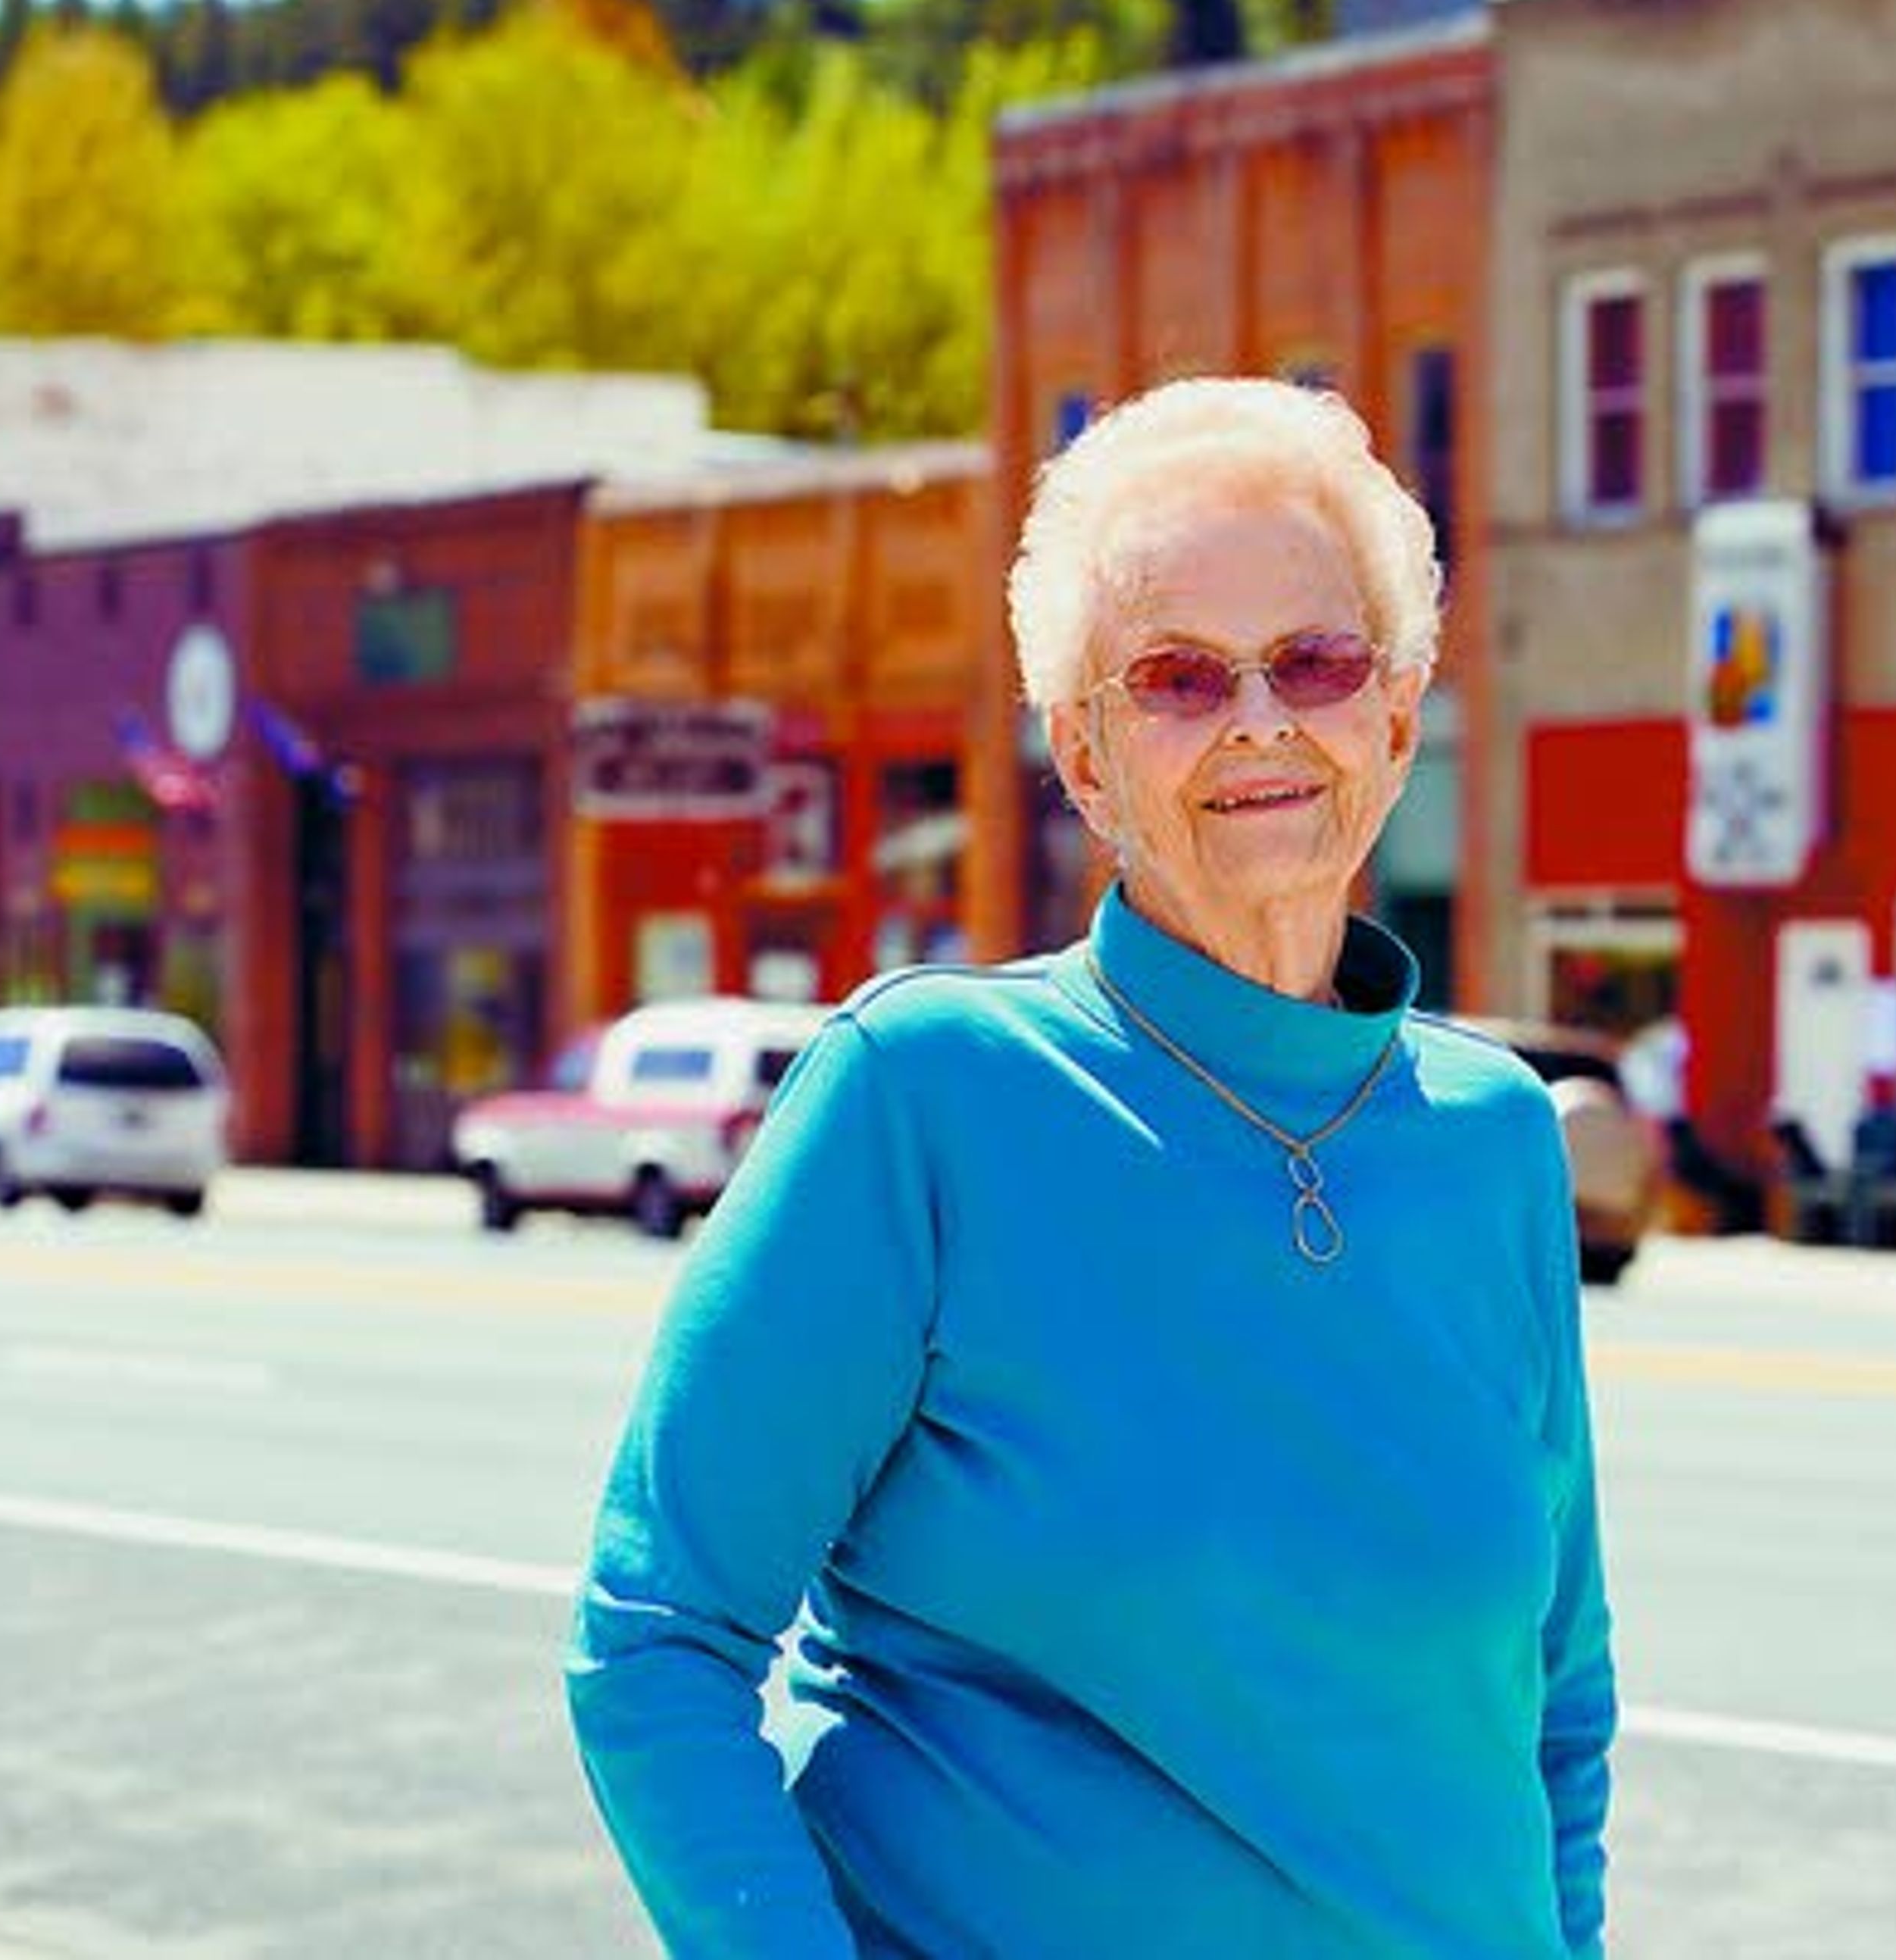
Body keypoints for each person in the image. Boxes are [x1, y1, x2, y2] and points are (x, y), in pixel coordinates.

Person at [567, 377, 1615, 1958]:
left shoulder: (1496, 1139)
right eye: (1180, 676)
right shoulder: (924, 1099)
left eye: (1316, 662)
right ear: (1085, 754)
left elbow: (1558, 1708)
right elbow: (657, 1642)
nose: (1261, 719)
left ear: (1396, 719)